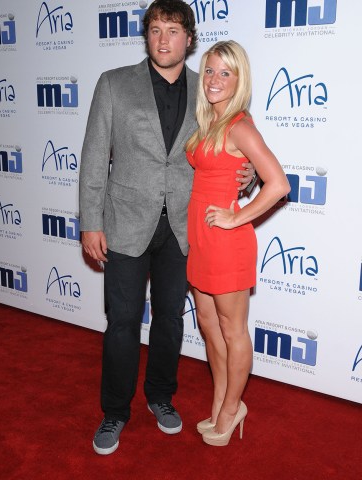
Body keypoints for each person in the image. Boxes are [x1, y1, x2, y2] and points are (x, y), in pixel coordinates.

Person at [79, 1, 254, 455]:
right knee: (121, 322)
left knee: (171, 321)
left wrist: (248, 174)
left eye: (173, 31)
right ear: (147, 35)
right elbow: (95, 158)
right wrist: (90, 222)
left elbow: (232, 147)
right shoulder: (114, 83)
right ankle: (115, 411)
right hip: (125, 222)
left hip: (184, 226)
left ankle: (161, 396)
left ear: (189, 39)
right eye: (155, 29)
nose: (163, 39)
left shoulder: (209, 89)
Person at [185, 40, 290, 446]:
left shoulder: (239, 125)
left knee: (233, 331)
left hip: (227, 244)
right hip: (200, 237)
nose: (214, 79)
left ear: (239, 80)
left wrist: (236, 216)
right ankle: (218, 401)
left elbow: (278, 184)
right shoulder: (208, 121)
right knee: (208, 326)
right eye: (210, 70)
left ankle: (233, 408)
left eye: (225, 73)